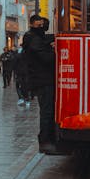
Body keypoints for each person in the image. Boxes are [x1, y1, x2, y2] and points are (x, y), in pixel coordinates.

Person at [23, 15, 57, 152]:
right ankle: (45, 141)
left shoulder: (35, 37)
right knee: (46, 110)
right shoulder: (34, 39)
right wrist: (55, 51)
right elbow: (46, 58)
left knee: (47, 109)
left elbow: (44, 40)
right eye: (40, 25)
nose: (42, 27)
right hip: (43, 79)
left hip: (42, 78)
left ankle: (47, 138)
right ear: (33, 24)